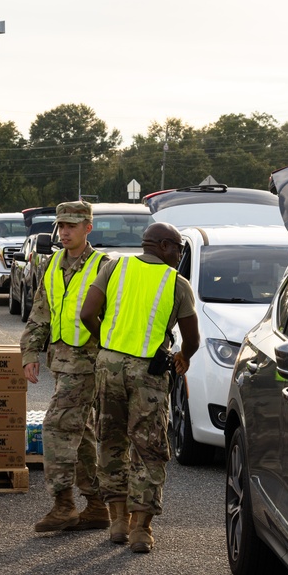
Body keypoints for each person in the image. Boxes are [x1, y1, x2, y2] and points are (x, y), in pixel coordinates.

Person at [80, 222, 200, 553]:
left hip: (109, 365)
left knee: (111, 440)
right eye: (177, 248)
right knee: (149, 449)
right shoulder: (177, 283)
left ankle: (117, 520)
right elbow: (192, 338)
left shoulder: (114, 266)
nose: (179, 254)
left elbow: (88, 312)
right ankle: (141, 530)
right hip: (148, 370)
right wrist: (183, 357)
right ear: (163, 246)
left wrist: (105, 341)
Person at [20, 201, 111, 533]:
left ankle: (63, 505)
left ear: (88, 227)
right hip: (61, 361)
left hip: (88, 363)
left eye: (72, 225)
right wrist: (30, 352)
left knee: (56, 426)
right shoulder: (53, 263)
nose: (65, 231)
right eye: (61, 226)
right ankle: (99, 504)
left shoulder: (105, 266)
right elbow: (41, 312)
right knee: (81, 433)